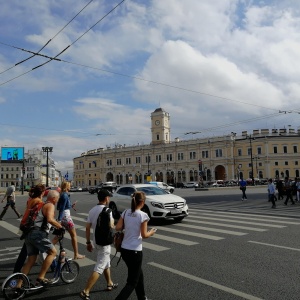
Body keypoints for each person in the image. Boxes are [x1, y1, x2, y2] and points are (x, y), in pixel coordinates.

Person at [115, 191, 156, 300]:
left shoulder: (125, 212)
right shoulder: (143, 215)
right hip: (135, 251)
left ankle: (142, 297)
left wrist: (128, 226)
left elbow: (117, 227)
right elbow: (144, 235)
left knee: (138, 274)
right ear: (142, 202)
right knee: (132, 282)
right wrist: (151, 232)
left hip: (124, 250)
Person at [20, 185, 64, 286]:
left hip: (29, 234)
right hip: (38, 234)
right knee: (53, 252)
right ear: (53, 198)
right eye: (57, 198)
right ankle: (41, 277)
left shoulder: (42, 205)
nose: (57, 200)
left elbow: (42, 220)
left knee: (31, 260)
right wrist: (60, 227)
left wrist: (52, 227)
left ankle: (19, 285)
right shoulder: (50, 205)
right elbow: (50, 219)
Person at [80, 189, 118, 300]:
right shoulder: (108, 210)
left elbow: (87, 228)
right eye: (109, 197)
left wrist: (88, 242)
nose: (109, 199)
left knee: (106, 262)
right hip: (105, 242)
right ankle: (85, 291)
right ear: (106, 198)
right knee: (100, 265)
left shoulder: (92, 210)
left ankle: (109, 283)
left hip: (96, 241)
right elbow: (111, 226)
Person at [54, 181, 84, 259]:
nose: (70, 186)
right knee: (74, 235)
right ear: (66, 186)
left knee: (58, 236)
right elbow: (61, 208)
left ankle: (45, 251)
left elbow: (61, 207)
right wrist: (59, 220)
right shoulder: (65, 195)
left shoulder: (63, 195)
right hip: (66, 218)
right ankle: (76, 254)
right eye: (69, 185)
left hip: (63, 217)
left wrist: (71, 205)